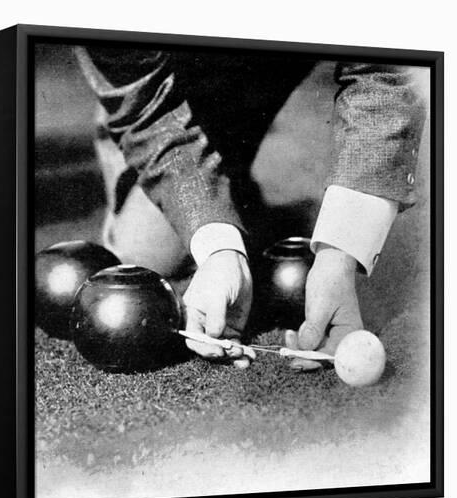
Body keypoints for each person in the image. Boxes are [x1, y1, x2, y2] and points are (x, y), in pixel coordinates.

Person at [73, 46, 426, 369]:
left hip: (274, 52)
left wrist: (340, 256)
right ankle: (235, 194)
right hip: (174, 74)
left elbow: (389, 70)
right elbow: (148, 111)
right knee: (151, 249)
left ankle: (233, 182)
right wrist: (218, 246)